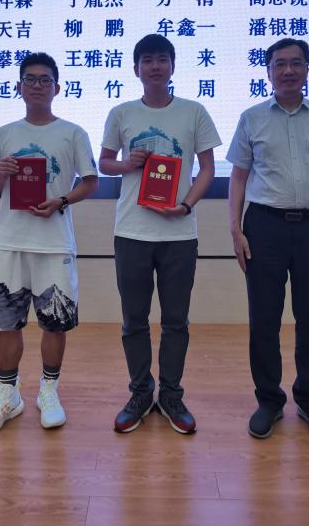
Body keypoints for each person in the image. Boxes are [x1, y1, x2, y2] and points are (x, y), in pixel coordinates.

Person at [226, 38, 309, 442]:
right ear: (268, 71)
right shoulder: (251, 119)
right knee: (264, 319)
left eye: (296, 63)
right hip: (264, 227)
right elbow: (238, 177)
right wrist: (236, 229)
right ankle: (268, 400)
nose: (287, 71)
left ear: (307, 69)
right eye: (279, 64)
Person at [100, 34, 221, 434]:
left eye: (162, 59)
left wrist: (186, 205)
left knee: (176, 321)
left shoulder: (194, 112)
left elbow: (208, 169)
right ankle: (140, 393)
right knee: (133, 320)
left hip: (179, 233)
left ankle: (171, 395)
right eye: (148, 60)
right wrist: (127, 164)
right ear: (136, 69)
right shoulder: (121, 113)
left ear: (172, 66)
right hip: (131, 232)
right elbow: (104, 163)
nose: (155, 66)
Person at [0, 52, 98, 436]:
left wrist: (61, 201)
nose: (38, 86)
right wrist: (1, 175)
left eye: (45, 80)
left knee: (55, 324)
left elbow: (90, 182)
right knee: (5, 323)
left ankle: (49, 391)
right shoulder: (4, 134)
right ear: (19, 87)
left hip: (55, 243)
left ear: (57, 88)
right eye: (30, 79)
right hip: (9, 242)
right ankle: (8, 396)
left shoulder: (73, 133)